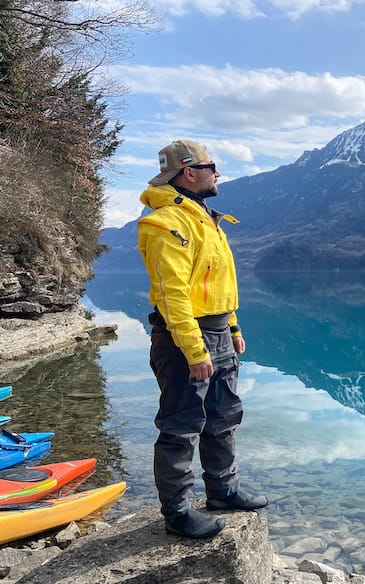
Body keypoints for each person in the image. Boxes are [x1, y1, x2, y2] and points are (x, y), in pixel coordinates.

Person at [137, 139, 268, 540]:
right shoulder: (165, 223)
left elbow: (214, 284)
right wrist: (195, 349)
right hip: (183, 336)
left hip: (217, 331)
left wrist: (233, 329)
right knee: (182, 424)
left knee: (224, 415)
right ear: (189, 171)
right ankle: (176, 513)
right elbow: (174, 293)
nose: (218, 173)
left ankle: (222, 492)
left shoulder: (204, 218)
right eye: (212, 166)